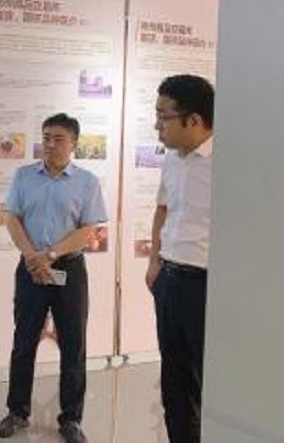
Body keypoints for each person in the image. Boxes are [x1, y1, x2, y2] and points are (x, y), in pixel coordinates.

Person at [0, 113, 107, 443]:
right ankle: (17, 411)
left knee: (73, 344)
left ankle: (71, 418)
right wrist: (33, 256)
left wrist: (52, 254)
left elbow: (88, 228)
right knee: (24, 341)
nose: (50, 144)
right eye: (46, 137)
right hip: (30, 268)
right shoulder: (24, 176)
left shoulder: (87, 182)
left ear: (74, 143)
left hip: (69, 270)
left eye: (58, 138)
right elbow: (11, 217)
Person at [145, 74, 214, 443]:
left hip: (205, 285)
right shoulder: (172, 159)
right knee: (174, 381)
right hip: (169, 281)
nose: (157, 125)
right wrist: (154, 261)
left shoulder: (227, 162)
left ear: (194, 119)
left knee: (209, 380)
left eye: (163, 117)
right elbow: (162, 209)